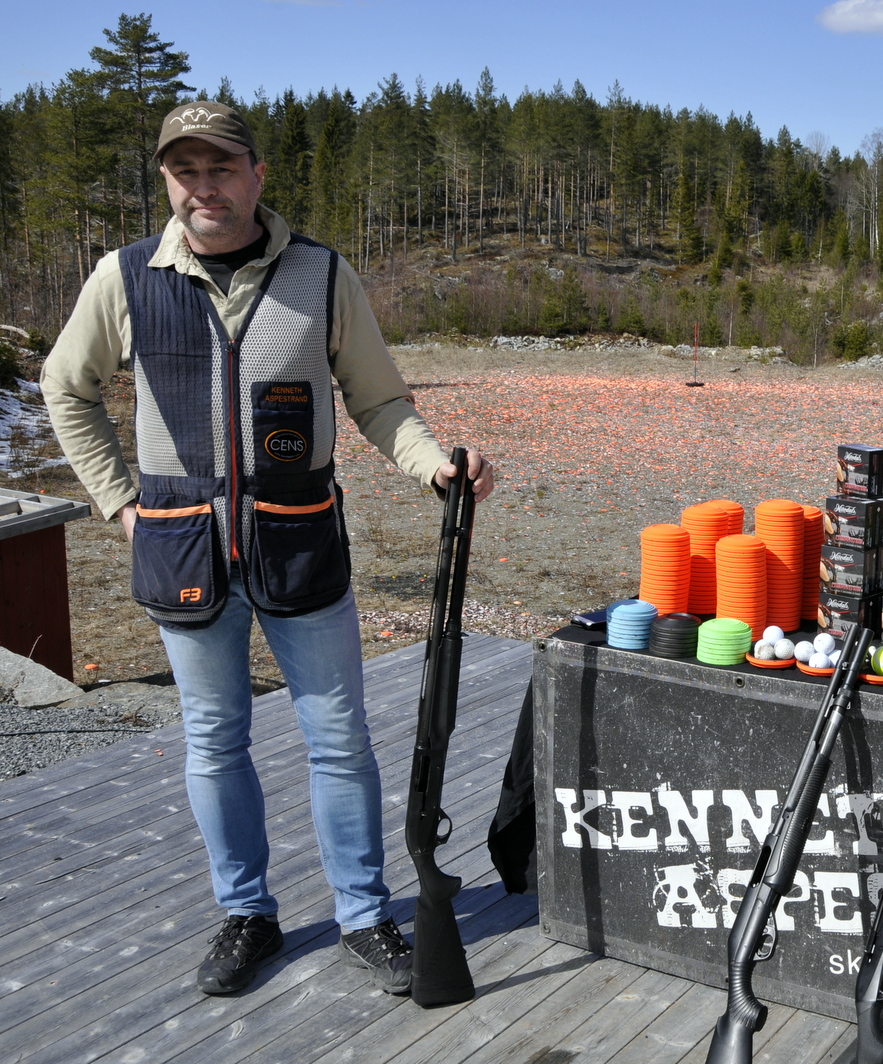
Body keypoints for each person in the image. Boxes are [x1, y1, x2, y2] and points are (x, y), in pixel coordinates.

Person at [41, 101, 496, 997]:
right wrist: (120, 506)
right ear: (168, 181)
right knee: (213, 740)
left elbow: (379, 401)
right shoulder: (124, 277)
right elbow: (66, 389)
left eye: (220, 168)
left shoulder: (321, 275)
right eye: (185, 172)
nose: (203, 187)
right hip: (180, 552)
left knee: (338, 739)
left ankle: (365, 916)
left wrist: (435, 465)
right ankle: (246, 913)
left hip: (301, 549)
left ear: (255, 174)